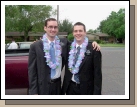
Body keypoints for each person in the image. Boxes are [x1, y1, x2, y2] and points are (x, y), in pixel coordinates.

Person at [28, 18, 100, 95]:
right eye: (50, 27)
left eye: (55, 27)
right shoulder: (35, 46)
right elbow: (32, 71)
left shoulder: (63, 43)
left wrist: (93, 42)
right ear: (45, 28)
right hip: (42, 88)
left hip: (58, 86)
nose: (53, 29)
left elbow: (79, 41)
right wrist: (34, 92)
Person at [61, 22, 102, 95]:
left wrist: (97, 95)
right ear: (73, 33)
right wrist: (40, 42)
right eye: (75, 31)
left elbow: (97, 75)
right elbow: (52, 42)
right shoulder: (68, 47)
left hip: (86, 90)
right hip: (70, 88)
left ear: (85, 32)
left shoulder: (94, 49)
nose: (78, 33)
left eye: (80, 31)